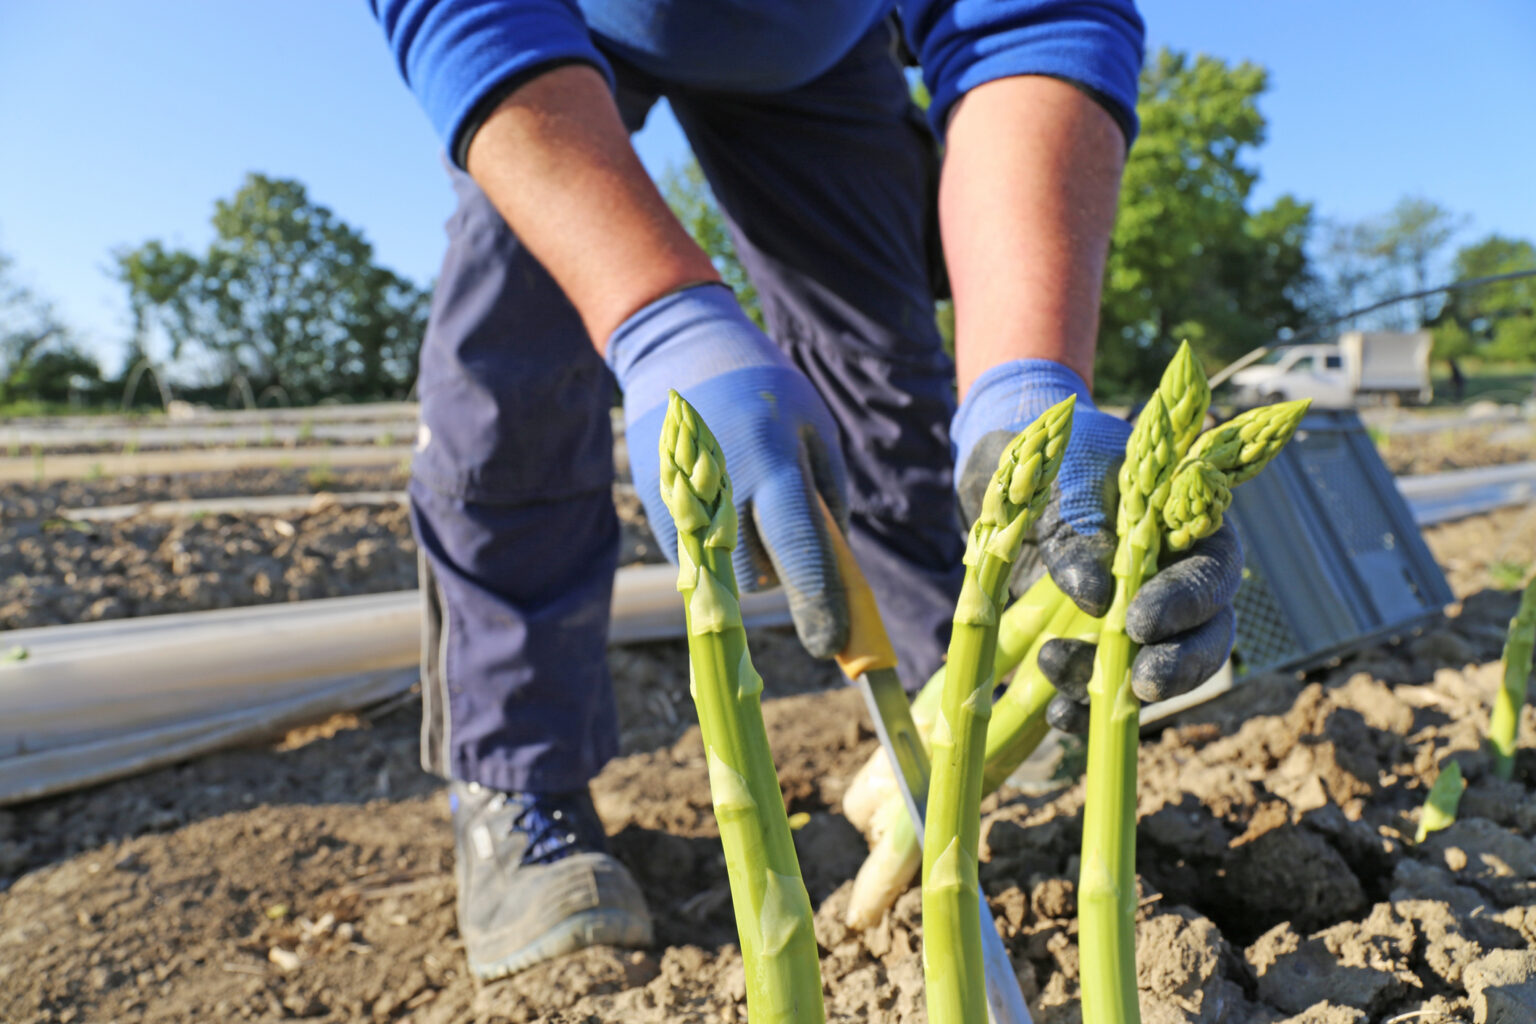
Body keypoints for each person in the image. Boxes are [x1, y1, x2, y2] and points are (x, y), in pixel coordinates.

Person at [369, 0, 1244, 981]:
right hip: (553, 29)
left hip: (821, 50)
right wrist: (659, 318)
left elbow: (1031, 21)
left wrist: (1030, 388)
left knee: (881, 379)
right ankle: (516, 777)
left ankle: (960, 704)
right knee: (511, 367)